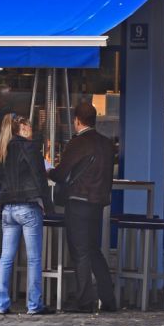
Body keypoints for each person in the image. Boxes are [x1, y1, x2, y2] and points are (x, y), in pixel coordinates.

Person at [48, 102, 116, 313]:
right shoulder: (107, 144)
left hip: (78, 201)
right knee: (94, 250)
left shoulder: (78, 143)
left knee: (80, 252)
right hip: (98, 203)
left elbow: (60, 174)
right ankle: (108, 299)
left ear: (77, 120)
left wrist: (47, 169)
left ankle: (84, 301)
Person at [0, 113, 54, 315]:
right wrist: (48, 206)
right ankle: (34, 305)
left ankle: (1, 304)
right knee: (33, 259)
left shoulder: (1, 149)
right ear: (22, 128)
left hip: (7, 208)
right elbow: (40, 178)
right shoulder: (30, 147)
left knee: (6, 258)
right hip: (28, 207)